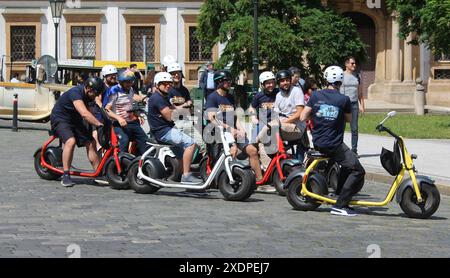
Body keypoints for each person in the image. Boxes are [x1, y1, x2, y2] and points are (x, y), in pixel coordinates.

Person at [300, 65, 365, 217]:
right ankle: (340, 205)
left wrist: (318, 115)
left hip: (318, 142)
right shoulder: (344, 100)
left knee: (347, 165)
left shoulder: (315, 96)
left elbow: (303, 117)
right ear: (340, 81)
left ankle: (338, 194)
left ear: (326, 79)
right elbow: (348, 119)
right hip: (334, 145)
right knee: (358, 170)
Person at [205, 70, 263, 182]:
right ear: (219, 82)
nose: (229, 83)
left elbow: (236, 116)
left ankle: (259, 181)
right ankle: (229, 178)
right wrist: (230, 129)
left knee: (253, 151)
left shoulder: (231, 97)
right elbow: (212, 118)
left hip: (233, 131)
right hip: (220, 132)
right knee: (232, 151)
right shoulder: (212, 97)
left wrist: (240, 128)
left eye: (230, 80)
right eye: (226, 81)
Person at [147, 72, 203, 185]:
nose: (168, 86)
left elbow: (173, 109)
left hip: (167, 129)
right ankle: (186, 176)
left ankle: (179, 176)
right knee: (190, 144)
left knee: (181, 153)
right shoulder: (157, 98)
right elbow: (169, 116)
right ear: (157, 85)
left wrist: (181, 109)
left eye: (169, 83)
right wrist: (180, 110)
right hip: (162, 132)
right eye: (165, 83)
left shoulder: (163, 97)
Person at [50, 77, 105, 187]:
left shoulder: (89, 96)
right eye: (96, 93)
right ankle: (66, 175)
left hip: (75, 120)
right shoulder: (76, 93)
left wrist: (104, 120)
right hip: (60, 119)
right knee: (71, 141)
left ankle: (98, 174)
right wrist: (98, 124)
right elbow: (84, 113)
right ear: (88, 88)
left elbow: (91, 112)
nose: (96, 96)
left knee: (91, 142)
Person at [258, 70, 306, 162]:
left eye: (287, 80)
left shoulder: (296, 91)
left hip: (296, 127)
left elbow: (300, 113)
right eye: (282, 81)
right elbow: (275, 115)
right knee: (263, 144)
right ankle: (269, 171)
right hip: (281, 128)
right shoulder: (279, 95)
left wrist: (282, 122)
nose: (285, 83)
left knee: (272, 127)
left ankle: (257, 139)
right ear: (279, 83)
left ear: (290, 80)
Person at [105, 69, 148, 156]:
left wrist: (138, 114)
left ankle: (143, 161)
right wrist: (118, 118)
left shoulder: (130, 89)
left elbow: (130, 104)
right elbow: (107, 109)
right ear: (121, 82)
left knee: (144, 140)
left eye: (131, 81)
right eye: (127, 82)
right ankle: (121, 164)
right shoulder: (114, 91)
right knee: (124, 140)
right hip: (118, 123)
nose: (129, 84)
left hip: (131, 122)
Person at [167, 63, 206, 155]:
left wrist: (187, 104)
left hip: (186, 121)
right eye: (173, 73)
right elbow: (170, 108)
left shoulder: (184, 90)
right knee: (177, 148)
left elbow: (189, 102)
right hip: (174, 123)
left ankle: (204, 166)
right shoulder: (168, 90)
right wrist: (185, 105)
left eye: (178, 73)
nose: (176, 75)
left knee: (202, 144)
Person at [248, 71, 278, 170]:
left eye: (272, 82)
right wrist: (253, 117)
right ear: (262, 84)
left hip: (275, 123)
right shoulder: (259, 96)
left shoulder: (278, 93)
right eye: (268, 83)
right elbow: (251, 107)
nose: (271, 85)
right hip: (262, 123)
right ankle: (254, 166)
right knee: (253, 144)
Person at [340, 56, 365, 156]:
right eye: (352, 63)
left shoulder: (357, 76)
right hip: (343, 104)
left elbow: (360, 93)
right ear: (346, 64)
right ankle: (339, 149)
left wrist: (362, 105)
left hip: (354, 104)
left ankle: (354, 150)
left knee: (354, 128)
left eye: (354, 63)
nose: (354, 65)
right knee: (340, 127)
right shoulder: (341, 75)